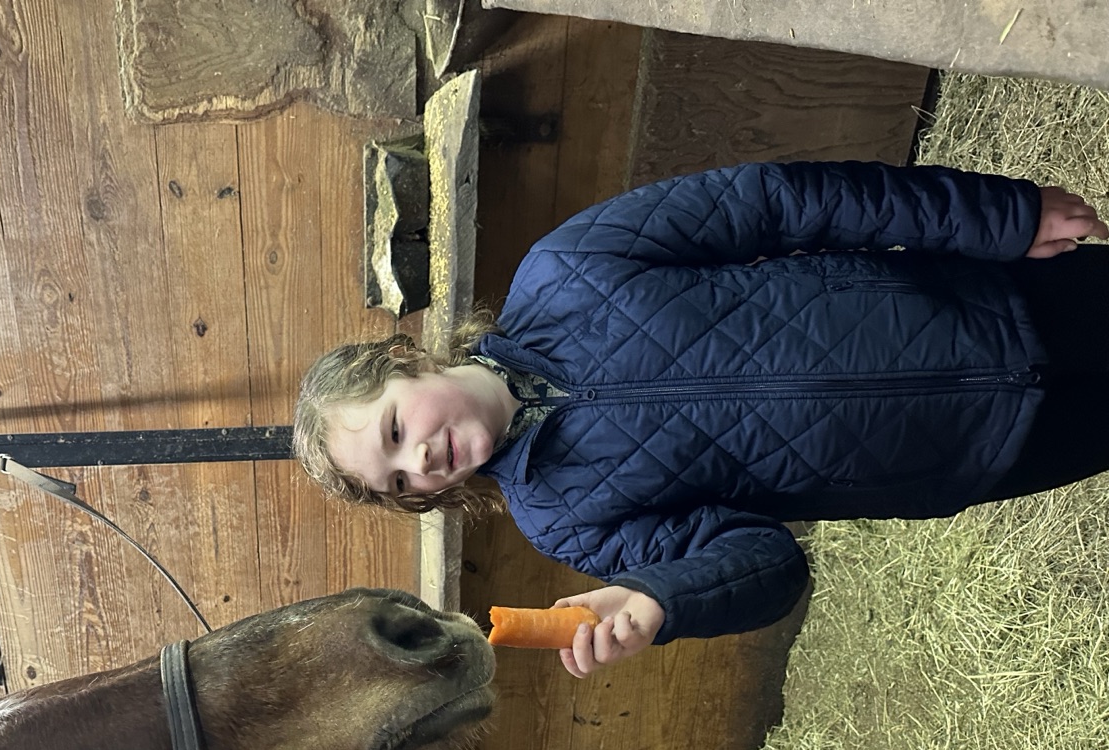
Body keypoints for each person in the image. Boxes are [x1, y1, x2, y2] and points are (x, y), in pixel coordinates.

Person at [294, 160, 1109, 678]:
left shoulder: (567, 268)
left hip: (983, 301)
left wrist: (996, 218)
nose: (421, 464)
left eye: (397, 431)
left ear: (407, 364)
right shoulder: (564, 520)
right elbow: (770, 565)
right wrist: (663, 601)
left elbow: (781, 202)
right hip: (981, 452)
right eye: (399, 482)